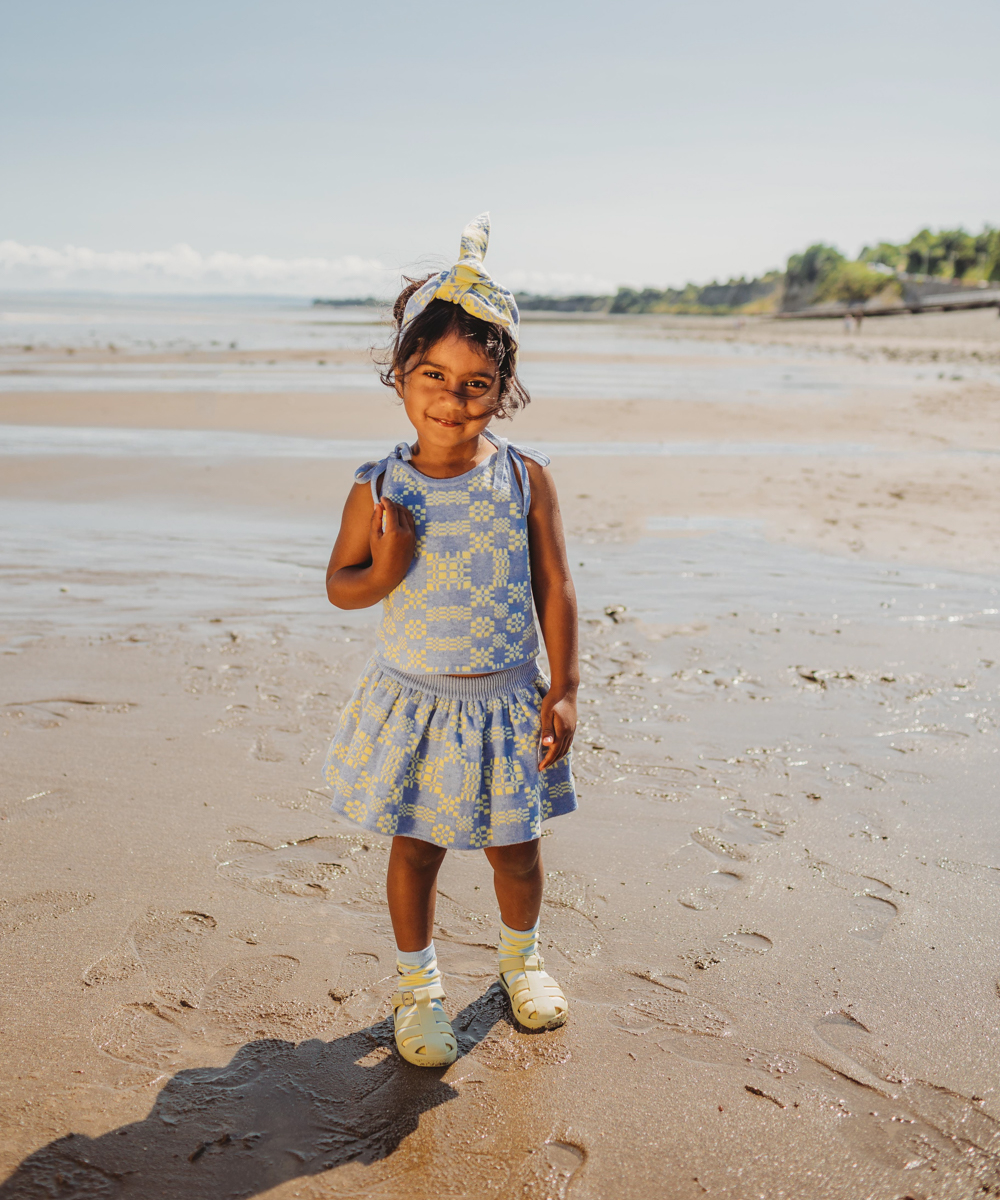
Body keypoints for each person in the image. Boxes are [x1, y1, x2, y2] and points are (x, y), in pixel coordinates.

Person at [323, 214, 579, 1067]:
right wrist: (388, 568)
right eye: (432, 373)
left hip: (508, 698)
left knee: (517, 850)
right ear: (400, 374)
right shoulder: (379, 487)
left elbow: (556, 586)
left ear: (502, 391)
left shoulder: (523, 476)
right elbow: (342, 587)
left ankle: (522, 960)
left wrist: (565, 685)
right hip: (420, 702)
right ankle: (417, 986)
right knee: (418, 849)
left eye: (476, 383)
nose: (451, 396)